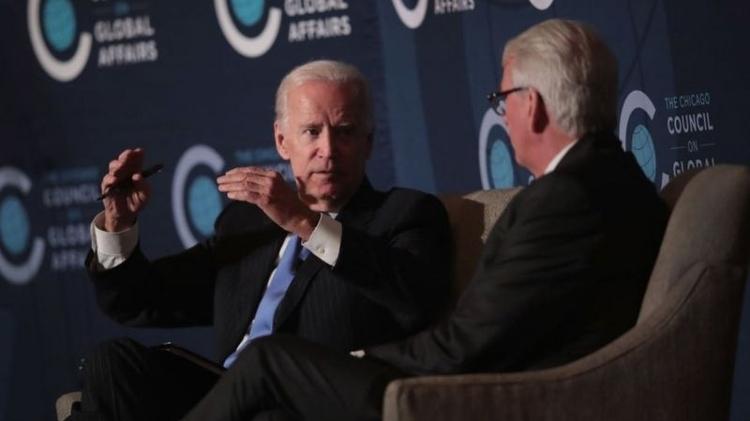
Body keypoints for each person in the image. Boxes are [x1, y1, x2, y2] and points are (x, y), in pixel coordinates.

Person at [179, 19, 670, 421]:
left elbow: (470, 343)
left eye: (503, 100)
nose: (503, 116)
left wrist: (360, 360)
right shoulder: (614, 181)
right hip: (507, 378)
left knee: (270, 360)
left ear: (532, 105)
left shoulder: (566, 200)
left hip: (478, 396)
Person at [69, 60, 451, 420]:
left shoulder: (404, 213)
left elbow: (414, 299)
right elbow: (142, 301)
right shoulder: (247, 223)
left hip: (304, 405)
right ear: (282, 141)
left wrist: (304, 222)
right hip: (223, 398)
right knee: (112, 360)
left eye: (346, 131)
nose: (329, 150)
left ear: (369, 142)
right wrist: (118, 224)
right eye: (312, 132)